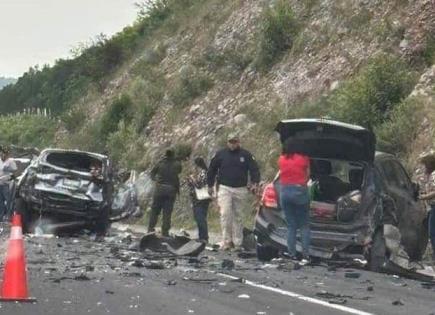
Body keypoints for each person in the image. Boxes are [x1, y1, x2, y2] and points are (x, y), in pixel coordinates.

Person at [207, 133, 260, 250]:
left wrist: (255, 182)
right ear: (227, 142)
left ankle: (237, 243)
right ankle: (227, 241)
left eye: (235, 142)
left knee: (238, 216)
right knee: (225, 214)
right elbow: (212, 169)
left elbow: (254, 169)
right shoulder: (220, 154)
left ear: (238, 142)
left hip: (240, 189)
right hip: (225, 188)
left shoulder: (245, 155)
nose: (232, 144)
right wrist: (210, 185)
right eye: (230, 142)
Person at [278, 138, 311, 263]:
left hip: (285, 192)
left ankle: (291, 253)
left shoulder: (281, 159)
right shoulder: (304, 159)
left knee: (291, 225)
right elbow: (308, 176)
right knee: (304, 225)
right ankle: (305, 255)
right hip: (299, 192)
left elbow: (282, 174)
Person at [148, 149, 182, 236]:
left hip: (159, 189)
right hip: (171, 190)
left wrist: (156, 180)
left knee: (155, 211)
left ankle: (150, 229)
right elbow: (179, 170)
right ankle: (165, 232)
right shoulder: (177, 164)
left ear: (165, 155)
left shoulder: (160, 163)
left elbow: (152, 174)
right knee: (167, 213)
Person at [187, 157, 211, 243]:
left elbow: (199, 185)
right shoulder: (201, 173)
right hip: (198, 198)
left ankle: (204, 237)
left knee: (200, 217)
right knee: (199, 217)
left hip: (201, 199)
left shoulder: (204, 172)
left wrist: (193, 179)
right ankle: (202, 236)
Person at [418, 151, 435, 264]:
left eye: (423, 165)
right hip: (431, 207)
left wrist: (422, 197)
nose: (421, 167)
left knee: (432, 233)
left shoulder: (434, 175)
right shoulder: (428, 176)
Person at [0, 147, 17, 221]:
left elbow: (15, 171)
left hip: (7, 183)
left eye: (4, 153)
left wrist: (8, 169)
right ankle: (1, 216)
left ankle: (9, 216)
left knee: (8, 200)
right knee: (0, 201)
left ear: (7, 154)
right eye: (1, 153)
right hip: (0, 183)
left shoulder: (10, 161)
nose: (2, 155)